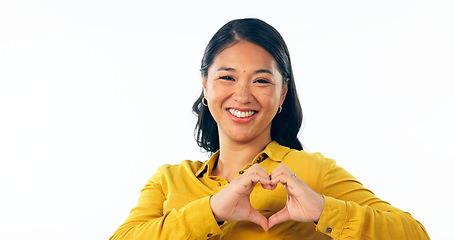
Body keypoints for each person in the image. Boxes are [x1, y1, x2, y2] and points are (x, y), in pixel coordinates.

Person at [110, 18, 429, 239]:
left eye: (261, 80)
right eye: (227, 77)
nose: (243, 95)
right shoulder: (168, 180)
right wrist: (212, 210)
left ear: (283, 94)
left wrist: (322, 210)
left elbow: (415, 235)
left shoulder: (311, 173)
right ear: (205, 85)